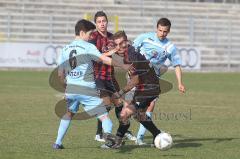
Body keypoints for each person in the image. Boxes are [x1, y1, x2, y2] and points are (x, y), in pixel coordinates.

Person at [52, 19, 129, 149]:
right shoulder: (88, 47)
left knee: (69, 114)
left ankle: (57, 143)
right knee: (104, 116)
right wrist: (122, 64)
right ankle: (109, 137)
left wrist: (66, 88)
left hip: (71, 90)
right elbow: (104, 59)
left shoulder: (65, 48)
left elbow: (60, 73)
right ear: (82, 33)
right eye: (89, 34)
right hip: (87, 90)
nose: (91, 37)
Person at [101, 31, 163, 149]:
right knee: (137, 115)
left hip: (148, 89)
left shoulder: (131, 56)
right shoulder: (128, 52)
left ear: (126, 42)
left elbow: (135, 81)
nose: (119, 47)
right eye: (116, 44)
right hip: (144, 88)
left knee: (126, 114)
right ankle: (157, 135)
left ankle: (118, 141)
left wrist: (119, 93)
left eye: (121, 43)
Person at [132, 17, 186, 145]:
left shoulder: (170, 47)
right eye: (160, 30)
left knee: (149, 106)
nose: (162, 34)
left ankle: (139, 138)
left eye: (165, 31)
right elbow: (131, 50)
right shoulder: (144, 37)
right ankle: (123, 133)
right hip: (137, 76)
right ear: (156, 29)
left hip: (153, 79)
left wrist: (180, 83)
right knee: (133, 108)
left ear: (169, 31)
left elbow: (177, 65)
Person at [89, 11, 136, 142]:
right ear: (96, 23)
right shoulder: (93, 38)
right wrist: (112, 51)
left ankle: (124, 130)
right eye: (99, 22)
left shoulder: (111, 37)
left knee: (120, 104)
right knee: (106, 104)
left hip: (111, 77)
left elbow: (120, 53)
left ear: (107, 22)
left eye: (104, 21)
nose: (102, 24)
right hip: (98, 76)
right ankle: (99, 133)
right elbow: (96, 57)